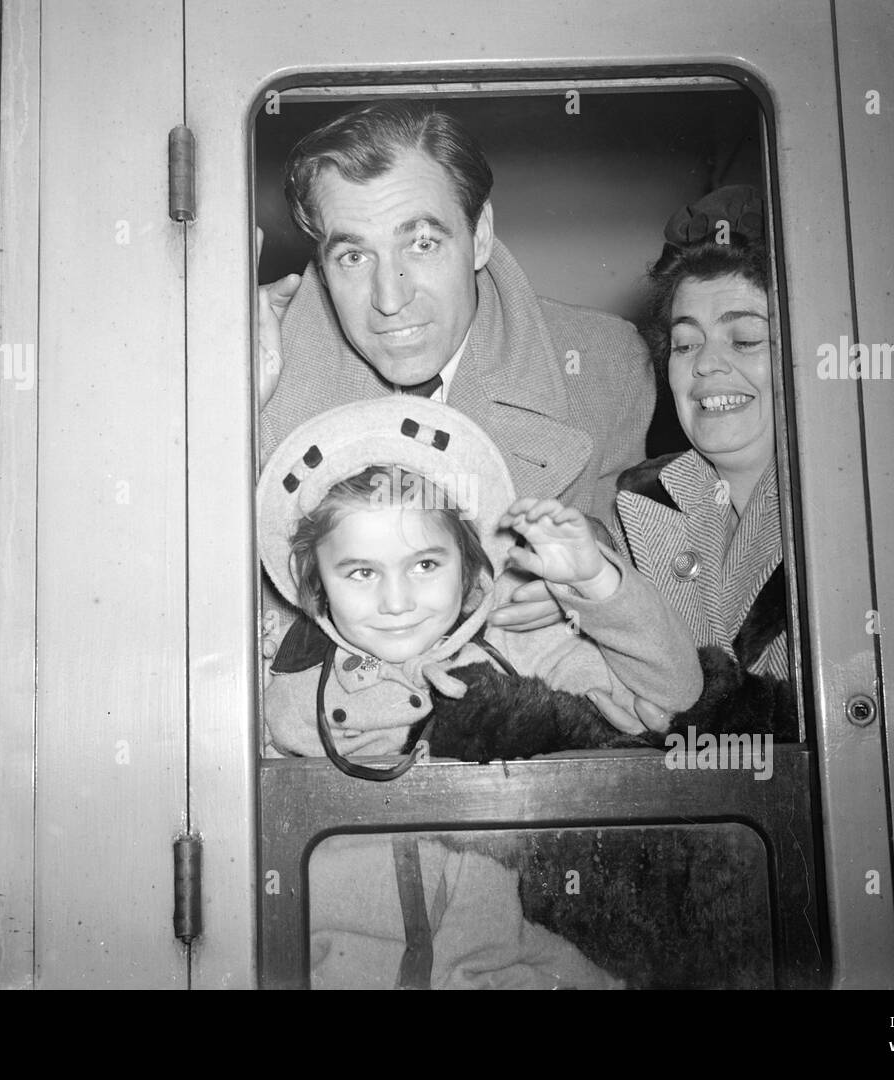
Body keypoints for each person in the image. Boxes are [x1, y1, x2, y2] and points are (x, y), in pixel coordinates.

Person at [257, 395, 701, 987]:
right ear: (317, 589)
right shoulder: (290, 678)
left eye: (424, 566)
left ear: (470, 571)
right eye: (362, 572)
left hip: (503, 970)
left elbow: (671, 694)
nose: (396, 603)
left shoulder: (514, 654)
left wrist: (597, 584)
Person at [257, 100, 655, 632]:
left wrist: (599, 564)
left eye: (421, 244)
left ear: (480, 234)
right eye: (353, 256)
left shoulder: (604, 364)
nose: (389, 298)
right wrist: (229, 406)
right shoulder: (260, 371)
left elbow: (639, 573)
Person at [614, 186, 790, 686]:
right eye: (686, 343)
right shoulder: (635, 502)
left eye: (747, 339)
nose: (706, 364)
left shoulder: (860, 522)